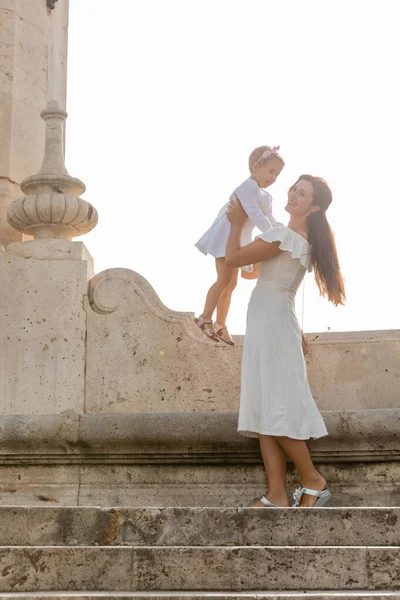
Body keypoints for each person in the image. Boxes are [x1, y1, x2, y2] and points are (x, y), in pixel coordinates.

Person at [226, 174, 345, 507]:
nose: (293, 194)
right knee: (266, 410)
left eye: (302, 193)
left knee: (274, 410)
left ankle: (313, 480)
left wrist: (237, 224)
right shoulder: (293, 236)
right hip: (272, 319)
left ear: (314, 206)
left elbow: (234, 259)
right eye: (294, 187)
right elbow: (253, 272)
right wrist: (249, 230)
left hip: (272, 322)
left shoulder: (286, 235)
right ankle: (276, 494)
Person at [194, 146, 284, 345]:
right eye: (270, 171)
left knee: (232, 283)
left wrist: (283, 231)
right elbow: (255, 214)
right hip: (227, 236)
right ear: (255, 167)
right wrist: (271, 235)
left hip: (239, 238)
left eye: (277, 174)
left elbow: (269, 217)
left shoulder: (266, 196)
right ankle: (204, 318)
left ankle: (220, 324)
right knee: (224, 279)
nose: (274, 177)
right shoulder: (247, 187)